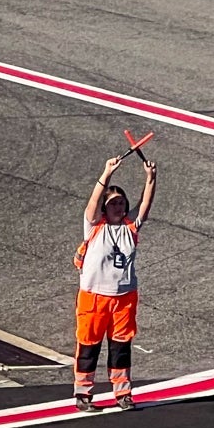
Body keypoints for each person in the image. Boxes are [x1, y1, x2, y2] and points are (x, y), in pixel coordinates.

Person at [73, 153, 157, 411]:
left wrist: (151, 178)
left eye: (121, 203)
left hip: (124, 299)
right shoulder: (94, 226)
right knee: (89, 346)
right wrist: (107, 172)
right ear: (104, 208)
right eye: (113, 203)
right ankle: (83, 394)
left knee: (121, 347)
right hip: (94, 297)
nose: (118, 207)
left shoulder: (130, 227)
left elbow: (145, 204)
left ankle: (123, 394)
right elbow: (92, 202)